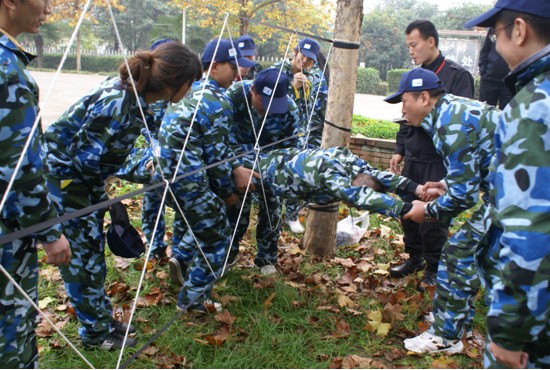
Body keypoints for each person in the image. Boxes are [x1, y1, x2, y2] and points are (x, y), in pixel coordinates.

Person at [43, 41, 202, 349]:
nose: (191, 90)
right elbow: (88, 160)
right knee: (83, 260)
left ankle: (99, 320)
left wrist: (155, 158)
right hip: (67, 183)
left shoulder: (141, 99)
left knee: (90, 257)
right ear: (174, 82)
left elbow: (126, 146)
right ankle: (94, 334)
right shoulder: (119, 102)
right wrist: (149, 167)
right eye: (190, 83)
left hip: (85, 181)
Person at [384, 68, 501, 354]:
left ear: (424, 98)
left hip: (523, 196)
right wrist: (446, 185)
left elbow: (465, 196)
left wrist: (427, 209)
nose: (403, 109)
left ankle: (446, 335)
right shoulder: (450, 114)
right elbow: (472, 169)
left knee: (459, 252)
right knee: (472, 255)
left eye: (405, 101)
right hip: (512, 192)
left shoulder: (449, 123)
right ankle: (455, 323)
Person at [465, 1, 550, 368]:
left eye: (494, 35)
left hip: (537, 325)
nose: (495, 48)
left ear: (519, 30)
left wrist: (509, 333)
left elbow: (530, 228)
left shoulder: (532, 108)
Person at [0, 0, 71, 367]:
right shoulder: (7, 70)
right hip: (7, 233)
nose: (48, 8)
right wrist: (48, 230)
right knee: (10, 329)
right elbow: (17, 168)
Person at [160, 38, 255, 311]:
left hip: (167, 181)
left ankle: (183, 258)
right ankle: (192, 301)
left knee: (201, 225)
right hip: (190, 183)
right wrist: (227, 194)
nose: (238, 73)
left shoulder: (187, 92)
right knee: (217, 238)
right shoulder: (216, 102)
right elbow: (217, 159)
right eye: (232, 66)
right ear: (214, 67)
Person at [388, 19, 475, 291]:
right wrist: (400, 150)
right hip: (414, 155)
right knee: (408, 211)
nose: (411, 51)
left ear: (431, 41)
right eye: (408, 46)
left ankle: (435, 265)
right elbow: (404, 118)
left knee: (433, 217)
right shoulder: (412, 76)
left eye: (414, 45)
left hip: (438, 159)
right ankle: (415, 256)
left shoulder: (457, 76)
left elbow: (461, 124)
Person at [224, 67, 301, 275]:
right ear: (252, 90)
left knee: (272, 207)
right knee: (236, 211)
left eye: (273, 106)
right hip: (236, 162)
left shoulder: (289, 110)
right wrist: (235, 167)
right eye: (264, 103)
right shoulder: (232, 97)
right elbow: (217, 136)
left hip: (269, 163)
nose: (268, 110)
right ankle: (227, 255)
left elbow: (293, 149)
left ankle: (266, 258)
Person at [255, 146, 424, 219]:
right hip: (258, 174)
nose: (356, 208)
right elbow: (359, 196)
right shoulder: (331, 174)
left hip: (275, 170)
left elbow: (379, 175)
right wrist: (407, 209)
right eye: (358, 206)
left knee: (269, 218)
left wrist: (418, 189)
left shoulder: (354, 166)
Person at [272, 37, 321, 234]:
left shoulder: (310, 77)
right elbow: (273, 102)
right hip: (276, 133)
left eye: (310, 59)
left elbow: (307, 109)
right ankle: (271, 212)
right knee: (276, 174)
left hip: (297, 133)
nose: (305, 61)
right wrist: (293, 87)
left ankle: (292, 214)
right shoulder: (278, 71)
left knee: (296, 172)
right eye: (303, 55)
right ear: (295, 52)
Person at [478, 27, 512, 109]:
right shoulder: (494, 27)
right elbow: (485, 50)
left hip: (509, 80)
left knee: (507, 113)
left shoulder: (518, 28)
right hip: (489, 78)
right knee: (484, 110)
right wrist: (483, 71)